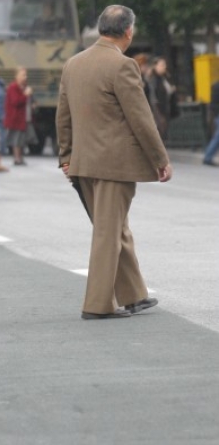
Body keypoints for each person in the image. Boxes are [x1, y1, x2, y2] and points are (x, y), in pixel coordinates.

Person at [56, 5, 172, 320]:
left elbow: (63, 115)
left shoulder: (73, 64)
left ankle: (134, 295)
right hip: (114, 166)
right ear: (128, 31)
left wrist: (66, 156)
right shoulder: (123, 65)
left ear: (100, 28)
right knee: (109, 234)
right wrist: (160, 158)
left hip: (83, 164)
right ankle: (97, 305)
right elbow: (141, 118)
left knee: (115, 229)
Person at [4, 67, 33, 166]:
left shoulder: (24, 87)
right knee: (16, 139)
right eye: (23, 75)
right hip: (15, 118)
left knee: (22, 139)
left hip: (24, 118)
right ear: (16, 76)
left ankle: (21, 157)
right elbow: (15, 101)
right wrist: (25, 95)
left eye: (26, 75)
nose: (25, 77)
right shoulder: (13, 87)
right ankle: (17, 158)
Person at [147, 57, 176, 140]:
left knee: (164, 131)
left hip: (165, 108)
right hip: (158, 108)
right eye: (162, 65)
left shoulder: (165, 77)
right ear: (155, 66)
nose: (164, 67)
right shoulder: (153, 79)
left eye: (165, 65)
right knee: (160, 130)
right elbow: (153, 95)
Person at [203, 80, 219, 166]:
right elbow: (214, 103)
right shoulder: (216, 86)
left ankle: (208, 156)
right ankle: (208, 156)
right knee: (217, 137)